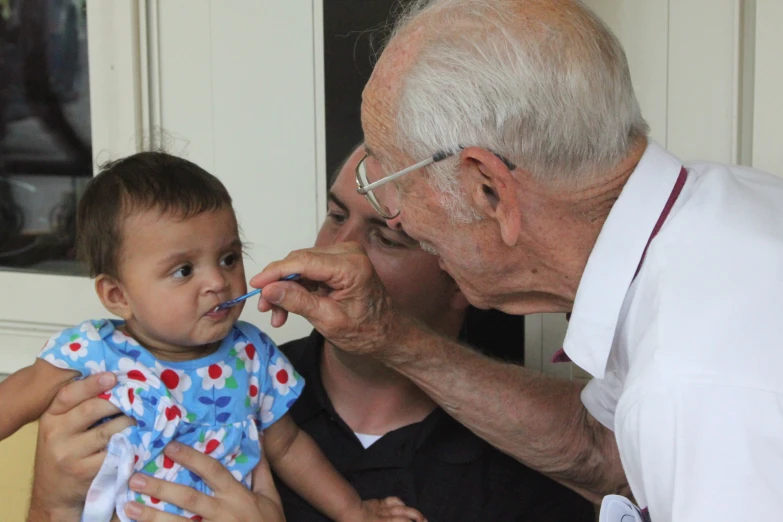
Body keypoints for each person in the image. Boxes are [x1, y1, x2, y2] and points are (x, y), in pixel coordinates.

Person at [249, 1, 783, 521]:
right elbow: (605, 452)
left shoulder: (696, 387)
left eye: (392, 187)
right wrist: (393, 338)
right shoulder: (724, 206)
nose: (400, 218)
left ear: (487, 189)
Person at [2, 151, 423, 522]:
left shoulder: (251, 355)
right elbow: (18, 397)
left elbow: (290, 447)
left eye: (228, 258)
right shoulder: (94, 351)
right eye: (184, 270)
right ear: (117, 295)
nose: (217, 282)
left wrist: (354, 511)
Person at [274, 145, 594, 521]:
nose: (335, 254)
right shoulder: (234, 393)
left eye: (387, 239)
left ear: (464, 278)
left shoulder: (533, 464)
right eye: (335, 215)